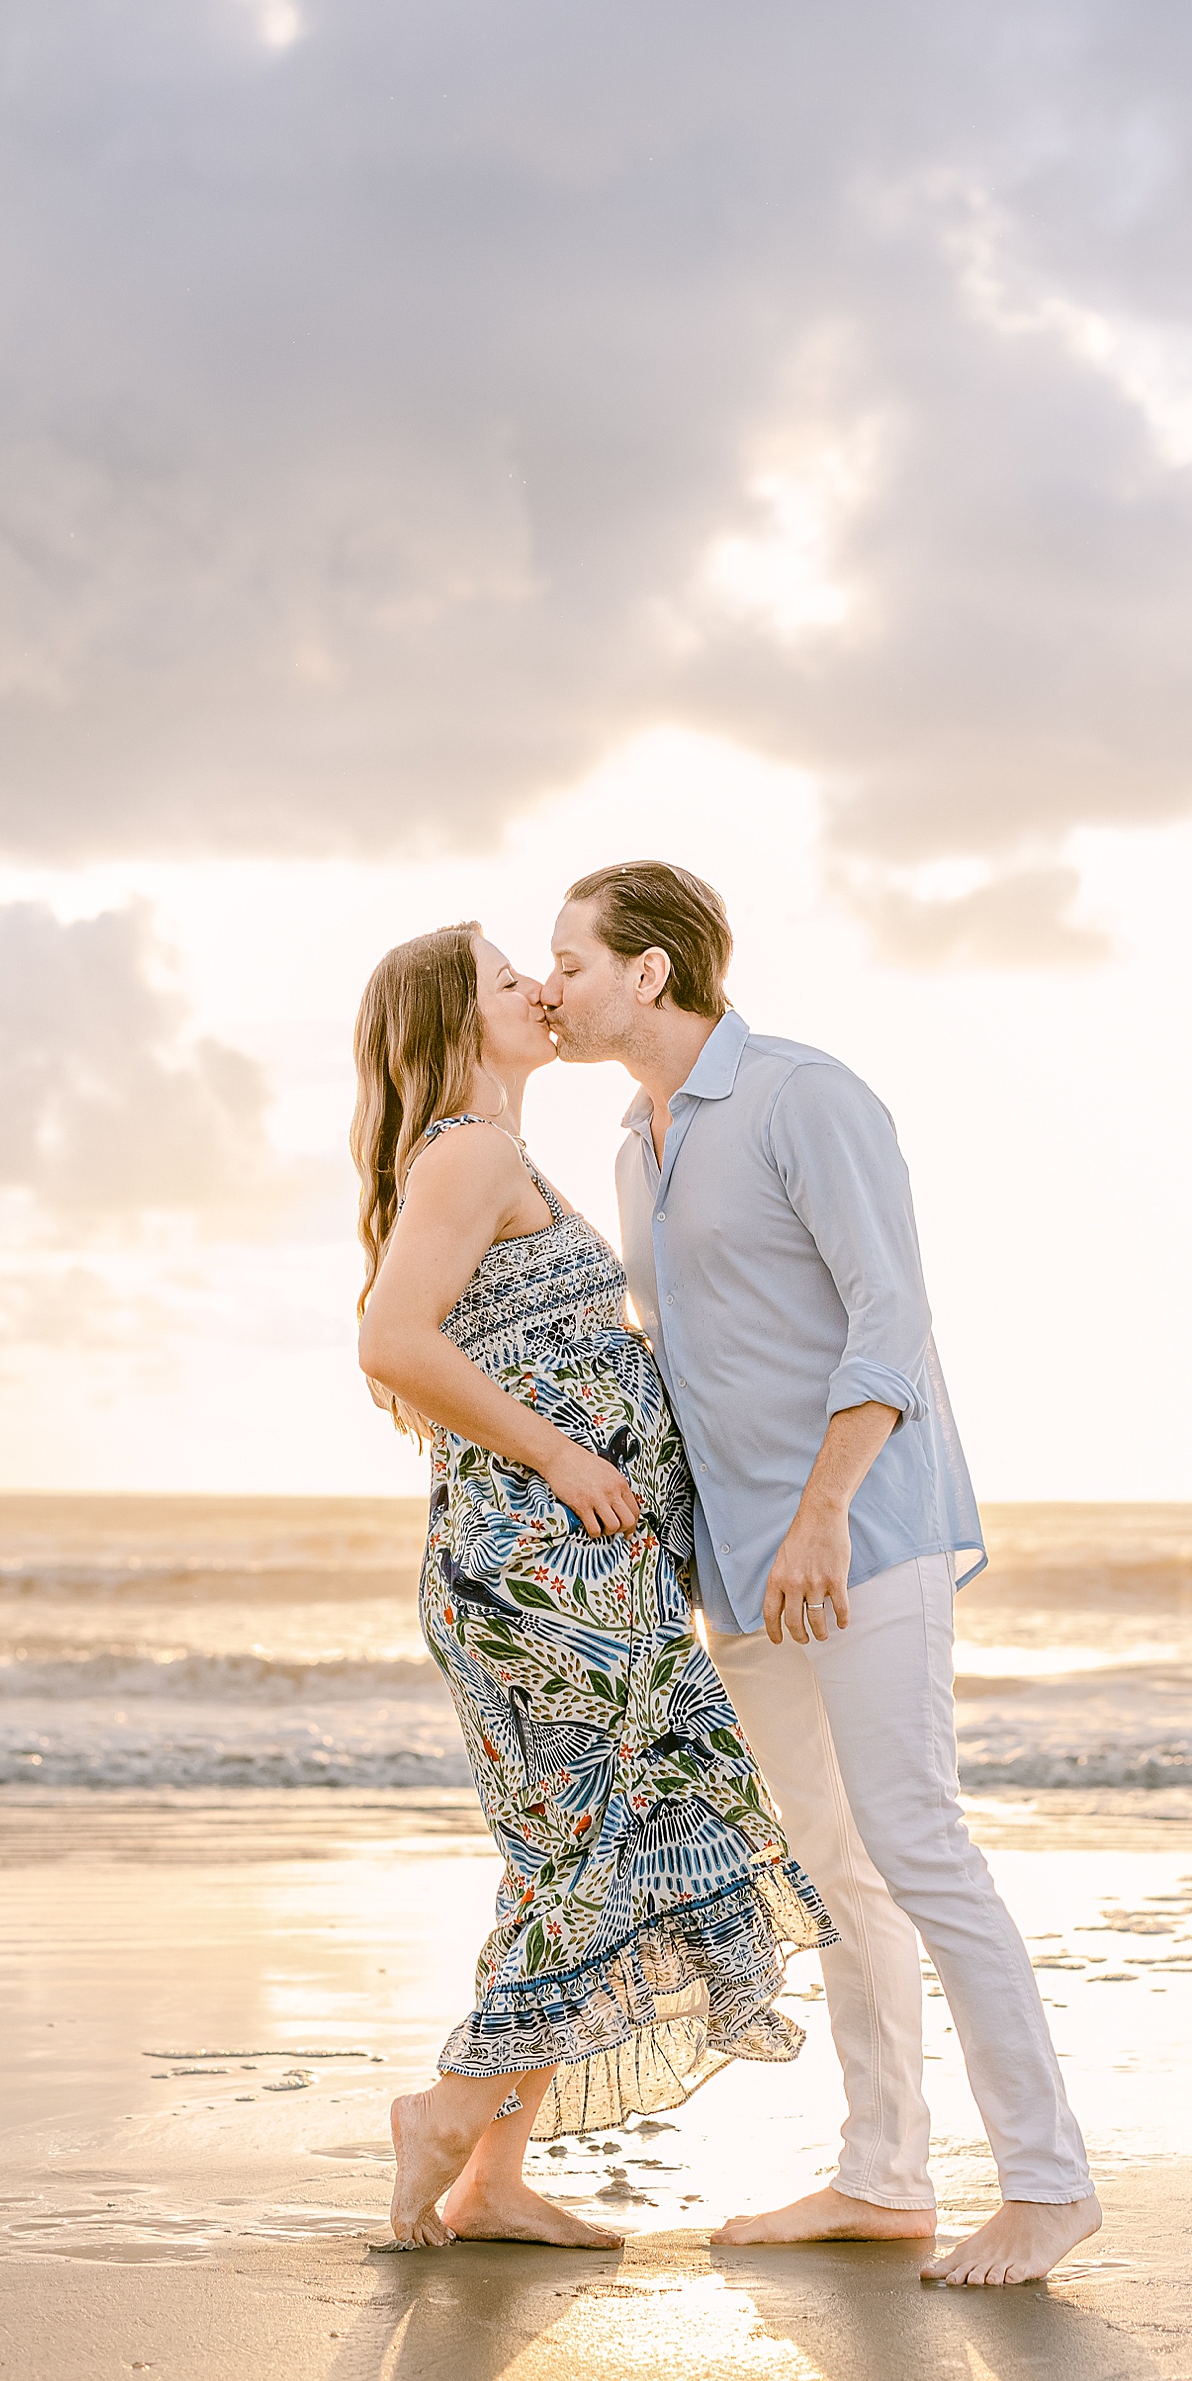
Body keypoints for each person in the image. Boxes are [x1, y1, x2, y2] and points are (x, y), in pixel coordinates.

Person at [542, 862, 1101, 2287]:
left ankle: (1047, 2182)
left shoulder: (804, 1096)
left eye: (573, 960)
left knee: (919, 1843)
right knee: (835, 1867)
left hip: (865, 1539)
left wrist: (822, 1510)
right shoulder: (634, 1143)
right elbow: (691, 1370)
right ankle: (884, 2172)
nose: (553, 987)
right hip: (744, 1570)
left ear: (652, 971)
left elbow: (891, 1319)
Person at [350, 922, 835, 2249]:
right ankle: (446, 2114)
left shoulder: (495, 1156)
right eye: (512, 981)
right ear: (458, 1023)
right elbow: (390, 1340)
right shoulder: (473, 1152)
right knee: (584, 1856)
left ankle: (491, 2177)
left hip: (580, 1571)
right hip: (537, 1573)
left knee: (573, 1856)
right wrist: (565, 1449)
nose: (541, 992)